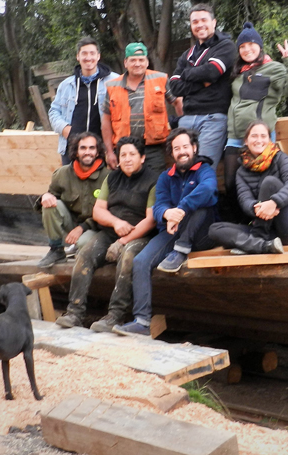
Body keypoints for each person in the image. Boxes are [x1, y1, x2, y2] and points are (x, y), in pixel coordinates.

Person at [113, 128, 218, 336]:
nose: (182, 152)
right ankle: (142, 322)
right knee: (140, 261)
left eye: (185, 147)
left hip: (201, 235)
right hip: (172, 231)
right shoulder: (165, 177)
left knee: (202, 206)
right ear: (172, 153)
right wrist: (168, 213)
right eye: (176, 148)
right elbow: (159, 205)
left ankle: (181, 250)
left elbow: (207, 190)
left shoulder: (204, 170)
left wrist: (181, 208)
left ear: (194, 148)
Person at [55, 136, 160, 331]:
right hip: (110, 232)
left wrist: (123, 241)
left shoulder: (153, 180)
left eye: (132, 154)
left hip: (139, 235)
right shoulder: (111, 178)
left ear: (142, 158)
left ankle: (115, 316)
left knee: (128, 257)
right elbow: (98, 211)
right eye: (123, 155)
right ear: (118, 159)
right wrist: (116, 222)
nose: (127, 159)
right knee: (84, 254)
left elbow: (150, 219)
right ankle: (75, 312)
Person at [223, 23, 288, 214]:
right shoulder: (239, 71)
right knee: (230, 182)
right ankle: (243, 224)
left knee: (262, 184)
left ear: (259, 46)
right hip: (236, 136)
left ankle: (265, 227)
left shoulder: (272, 68)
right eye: (242, 46)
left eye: (251, 44)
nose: (247, 49)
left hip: (260, 137)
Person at [208, 121, 288, 255]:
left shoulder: (280, 158)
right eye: (254, 136)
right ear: (246, 141)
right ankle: (262, 246)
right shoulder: (241, 171)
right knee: (215, 229)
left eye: (263, 136)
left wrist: (274, 203)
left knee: (270, 183)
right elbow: (245, 201)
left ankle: (254, 242)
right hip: (267, 233)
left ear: (269, 139)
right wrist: (259, 207)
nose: (259, 140)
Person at [165, 4, 237, 169]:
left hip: (213, 117)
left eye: (204, 20)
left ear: (214, 22)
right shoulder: (188, 54)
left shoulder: (225, 46)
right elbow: (174, 87)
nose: (199, 25)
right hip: (187, 117)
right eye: (195, 22)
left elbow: (212, 72)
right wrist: (202, 81)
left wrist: (187, 74)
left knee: (202, 169)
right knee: (182, 169)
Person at [36, 131, 109, 267]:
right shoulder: (62, 174)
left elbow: (111, 212)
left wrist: (83, 227)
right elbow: (52, 195)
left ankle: (83, 248)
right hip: (72, 225)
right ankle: (56, 250)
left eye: (92, 148)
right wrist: (45, 196)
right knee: (51, 204)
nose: (88, 152)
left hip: (97, 228)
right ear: (76, 152)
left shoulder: (109, 177)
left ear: (98, 152)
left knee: (83, 244)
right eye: (83, 148)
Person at [101, 42, 171, 174]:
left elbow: (178, 102)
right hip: (124, 149)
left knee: (156, 186)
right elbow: (105, 121)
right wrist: (109, 152)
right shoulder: (112, 86)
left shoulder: (160, 79)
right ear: (125, 63)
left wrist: (178, 134)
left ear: (147, 62)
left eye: (141, 60)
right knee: (127, 187)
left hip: (153, 148)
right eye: (133, 60)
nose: (137, 64)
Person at [48, 36, 113, 164]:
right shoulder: (66, 85)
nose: (88, 57)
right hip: (72, 148)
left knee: (100, 183)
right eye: (84, 53)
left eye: (92, 53)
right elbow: (54, 112)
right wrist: (66, 130)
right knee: (71, 183)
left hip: (102, 148)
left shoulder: (114, 82)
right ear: (78, 56)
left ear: (98, 56)